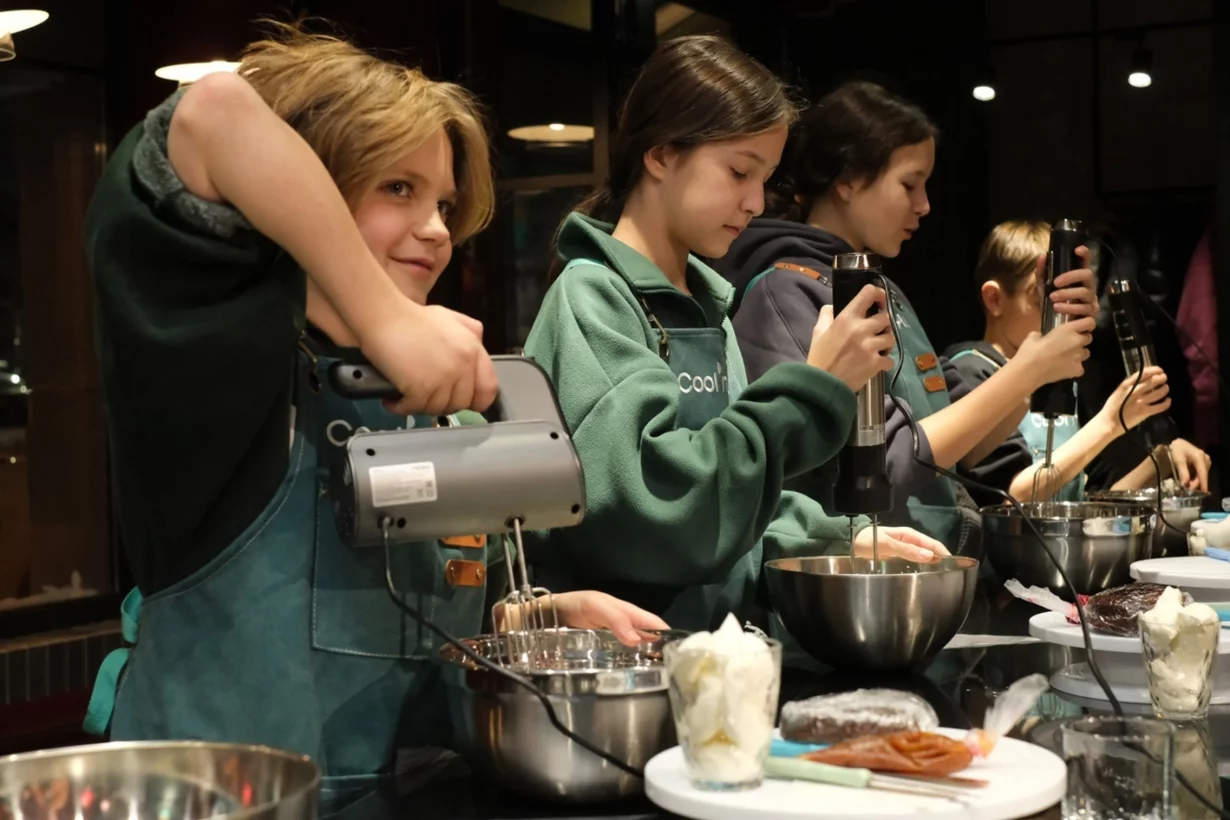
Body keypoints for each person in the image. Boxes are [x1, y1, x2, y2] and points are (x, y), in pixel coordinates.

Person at [82, 23, 667, 798]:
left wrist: (540, 616)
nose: (436, 230)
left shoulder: (428, 410)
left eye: (445, 203)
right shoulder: (226, 379)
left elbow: (420, 624)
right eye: (397, 188)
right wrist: (386, 320)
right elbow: (213, 115)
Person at [522, 37, 948, 634]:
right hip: (628, 667)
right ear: (662, 154)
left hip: (714, 654)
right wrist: (813, 387)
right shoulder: (593, 298)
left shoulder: (710, 308)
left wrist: (837, 537)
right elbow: (662, 512)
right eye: (739, 172)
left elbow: (737, 507)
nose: (754, 202)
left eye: (765, 178)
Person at [711, 81, 1098, 551]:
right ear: (848, 180)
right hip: (852, 575)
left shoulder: (882, 288)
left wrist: (1045, 348)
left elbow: (970, 444)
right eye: (909, 184)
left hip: (921, 568)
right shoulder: (784, 288)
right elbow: (887, 459)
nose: (924, 204)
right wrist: (1029, 369)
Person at [945, 220, 1212, 501]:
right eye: (1043, 303)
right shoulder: (968, 370)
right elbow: (1014, 496)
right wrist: (1110, 421)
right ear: (995, 300)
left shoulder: (1062, 380)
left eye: (1068, 305)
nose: (1061, 319)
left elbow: (1089, 500)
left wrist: (1162, 458)